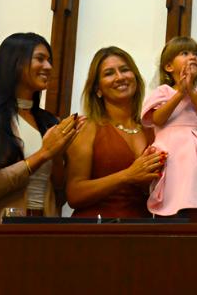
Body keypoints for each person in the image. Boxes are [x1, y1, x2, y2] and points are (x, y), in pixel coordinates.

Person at [0, 33, 83, 224]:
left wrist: (57, 155)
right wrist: (44, 153)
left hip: (46, 229)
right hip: (1, 230)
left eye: (49, 60)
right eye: (40, 59)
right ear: (15, 63)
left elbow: (61, 196)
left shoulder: (51, 122)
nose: (49, 67)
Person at [66, 47, 165, 218]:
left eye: (125, 70)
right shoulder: (87, 128)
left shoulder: (153, 128)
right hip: (96, 229)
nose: (120, 77)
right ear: (97, 88)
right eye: (109, 73)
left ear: (135, 78)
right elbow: (74, 195)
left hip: (142, 228)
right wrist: (127, 175)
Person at [142, 37, 197, 223]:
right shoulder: (164, 92)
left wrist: (192, 92)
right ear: (168, 67)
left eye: (196, 54)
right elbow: (158, 119)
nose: (192, 57)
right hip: (173, 151)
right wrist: (180, 92)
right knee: (174, 195)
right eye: (185, 53)